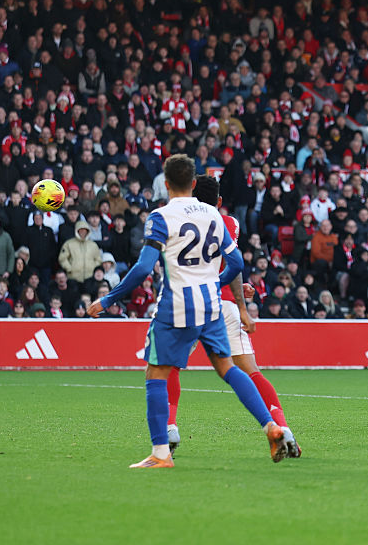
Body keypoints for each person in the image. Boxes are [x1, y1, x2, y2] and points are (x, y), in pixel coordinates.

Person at [87, 154, 288, 467]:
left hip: (177, 304)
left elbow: (143, 268)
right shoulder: (214, 216)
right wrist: (214, 282)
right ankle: (271, 426)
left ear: (166, 184)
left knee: (156, 372)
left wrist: (109, 299)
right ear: (193, 183)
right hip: (211, 303)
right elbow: (236, 263)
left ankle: (160, 453)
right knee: (228, 368)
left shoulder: (160, 217)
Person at [163, 175, 300, 458]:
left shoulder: (174, 221)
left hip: (187, 301)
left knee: (168, 366)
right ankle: (282, 428)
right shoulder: (229, 223)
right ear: (219, 201)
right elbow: (232, 264)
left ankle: (169, 427)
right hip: (223, 303)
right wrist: (242, 305)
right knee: (249, 370)